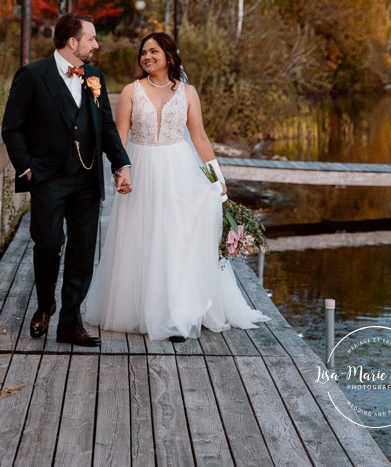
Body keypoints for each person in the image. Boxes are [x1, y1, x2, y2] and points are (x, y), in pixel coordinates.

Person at [83, 31, 269, 341]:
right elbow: (119, 136)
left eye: (154, 51)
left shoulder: (188, 93)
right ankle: (142, 309)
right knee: (142, 237)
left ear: (169, 56)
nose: (147, 57)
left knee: (176, 237)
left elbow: (199, 137)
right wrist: (120, 170)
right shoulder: (131, 91)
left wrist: (217, 178)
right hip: (141, 169)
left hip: (179, 171)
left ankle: (175, 314)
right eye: (144, 52)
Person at [2, 12, 132, 347]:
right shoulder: (33, 75)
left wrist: (121, 163)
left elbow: (105, 126)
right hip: (48, 177)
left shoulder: (95, 76)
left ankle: (70, 323)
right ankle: (45, 304)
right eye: (91, 38)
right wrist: (27, 169)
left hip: (87, 179)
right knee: (47, 243)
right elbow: (12, 128)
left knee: (83, 249)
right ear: (72, 42)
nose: (96, 45)